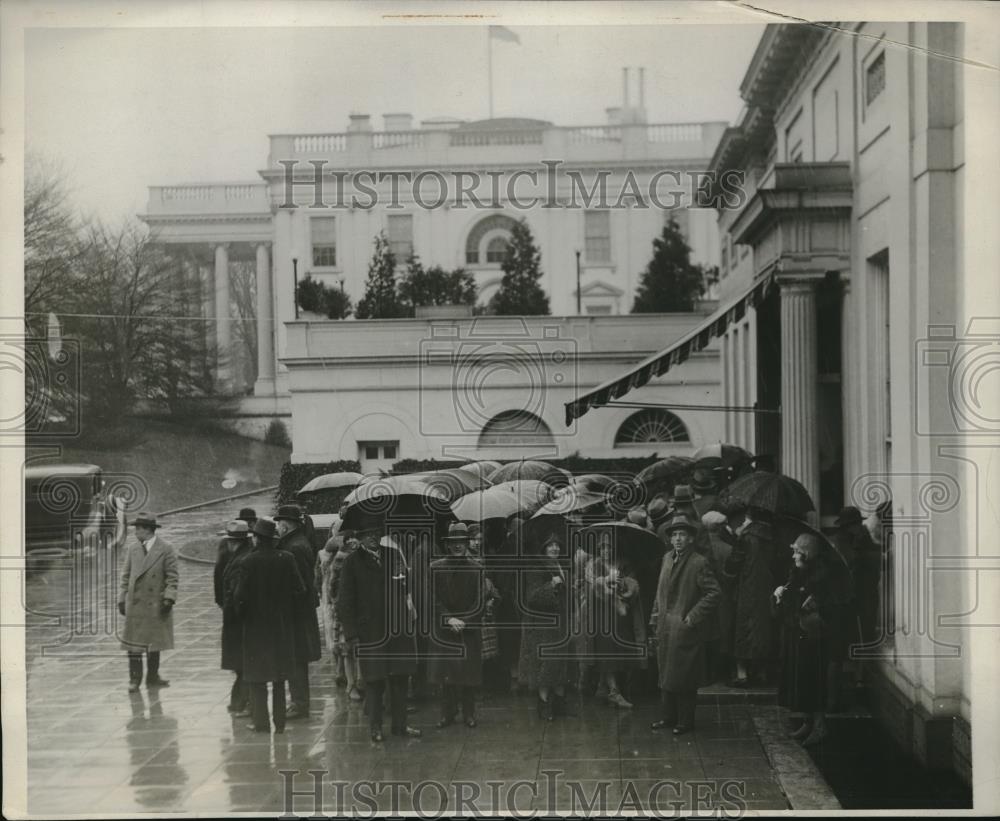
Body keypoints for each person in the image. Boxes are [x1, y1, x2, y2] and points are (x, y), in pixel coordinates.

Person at [338, 530, 422, 742]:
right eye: (368, 534)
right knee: (374, 680)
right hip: (370, 631)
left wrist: (408, 604)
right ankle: (375, 727)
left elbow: (407, 586)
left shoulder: (393, 555)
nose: (373, 538)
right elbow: (345, 601)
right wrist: (351, 634)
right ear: (360, 536)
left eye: (377, 533)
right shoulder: (352, 562)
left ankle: (400, 725)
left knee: (400, 677)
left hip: (398, 628)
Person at [774, 532, 852, 746]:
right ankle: (808, 722)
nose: (793, 556)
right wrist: (783, 591)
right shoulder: (799, 572)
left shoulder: (822, 575)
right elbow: (795, 594)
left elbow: (827, 605)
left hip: (814, 638)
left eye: (797, 552)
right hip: (799, 634)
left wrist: (811, 601)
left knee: (813, 680)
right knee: (802, 679)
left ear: (807, 554)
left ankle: (819, 726)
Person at [649, 513, 721, 735]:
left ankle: (685, 721)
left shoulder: (699, 562)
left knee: (684, 676)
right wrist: (654, 616)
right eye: (675, 535)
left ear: (691, 538)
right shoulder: (667, 559)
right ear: (670, 539)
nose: (678, 538)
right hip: (664, 626)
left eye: (683, 535)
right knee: (666, 674)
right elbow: (659, 592)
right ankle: (668, 718)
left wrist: (692, 617)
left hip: (684, 627)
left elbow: (714, 592)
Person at [235, 517, 304, 734]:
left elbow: (239, 597)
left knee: (257, 679)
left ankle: (261, 722)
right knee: (279, 678)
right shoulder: (287, 558)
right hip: (281, 628)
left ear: (256, 538)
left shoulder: (248, 561)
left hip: (256, 630)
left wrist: (243, 616)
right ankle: (280, 723)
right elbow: (300, 591)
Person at [427, 523, 488, 729]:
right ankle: (448, 712)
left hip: (468, 629)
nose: (458, 546)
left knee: (469, 674)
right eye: (454, 543)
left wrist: (466, 621)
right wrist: (448, 619)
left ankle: (469, 712)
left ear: (466, 543)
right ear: (448, 545)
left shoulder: (477, 568)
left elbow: (481, 600)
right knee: (447, 675)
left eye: (461, 542)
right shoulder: (436, 568)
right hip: (445, 629)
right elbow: (432, 599)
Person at [583, 537, 647, 709]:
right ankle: (613, 691)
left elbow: (634, 586)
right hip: (600, 615)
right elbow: (588, 587)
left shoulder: (624, 563)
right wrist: (602, 582)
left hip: (620, 616)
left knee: (619, 651)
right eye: (602, 548)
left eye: (609, 548)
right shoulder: (592, 565)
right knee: (606, 651)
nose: (606, 551)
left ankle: (604, 687)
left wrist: (623, 583)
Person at [118, 512, 178, 693]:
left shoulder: (166, 548)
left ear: (149, 530)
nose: (136, 532)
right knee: (133, 644)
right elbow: (125, 575)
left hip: (155, 604)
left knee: (154, 643)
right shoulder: (133, 549)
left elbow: (172, 577)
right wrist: (121, 597)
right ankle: (134, 679)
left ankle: (153, 676)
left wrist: (169, 598)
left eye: (139, 529)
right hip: (136, 604)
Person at [721, 503, 777, 687]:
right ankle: (761, 672)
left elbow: (734, 563)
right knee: (763, 628)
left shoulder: (746, 536)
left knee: (743, 628)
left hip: (747, 588)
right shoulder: (771, 535)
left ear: (749, 516)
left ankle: (742, 672)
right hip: (767, 587)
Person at [274, 504, 322, 720]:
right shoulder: (298, 543)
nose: (277, 527)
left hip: (296, 615)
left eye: (279, 523)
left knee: (296, 659)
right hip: (300, 613)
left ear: (286, 524)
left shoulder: (294, 547)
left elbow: (300, 585)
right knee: (297, 658)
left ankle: (299, 703)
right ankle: (298, 701)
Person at [518, 533, 573, 721]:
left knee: (559, 664)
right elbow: (532, 597)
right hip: (544, 625)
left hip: (561, 623)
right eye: (551, 546)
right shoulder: (537, 567)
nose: (555, 549)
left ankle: (558, 702)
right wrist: (551, 585)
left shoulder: (561, 566)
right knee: (545, 665)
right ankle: (543, 704)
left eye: (557, 545)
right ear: (544, 549)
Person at [215, 519, 253, 713]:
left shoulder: (241, 561)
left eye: (231, 540)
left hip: (238, 623)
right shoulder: (237, 557)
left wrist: (232, 611)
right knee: (241, 665)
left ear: (237, 542)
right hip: (235, 621)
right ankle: (240, 702)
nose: (228, 544)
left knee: (243, 665)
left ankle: (244, 702)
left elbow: (239, 595)